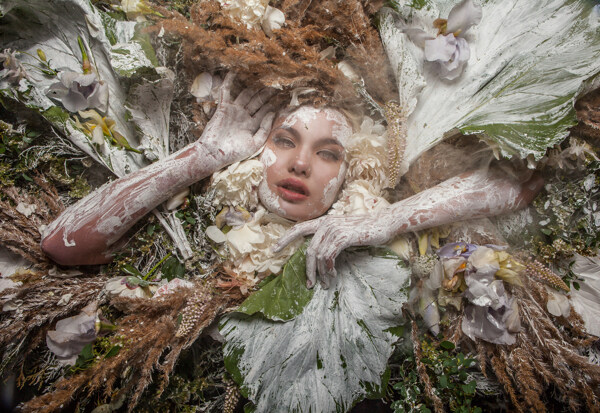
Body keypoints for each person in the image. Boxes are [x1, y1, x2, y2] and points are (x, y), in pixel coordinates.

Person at [41, 72, 543, 287]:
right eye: (284, 140)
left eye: (327, 154)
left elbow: (521, 181)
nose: (300, 164)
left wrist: (386, 220)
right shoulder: (191, 219)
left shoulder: (369, 231)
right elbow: (62, 244)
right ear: (256, 147)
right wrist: (201, 156)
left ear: (353, 175)